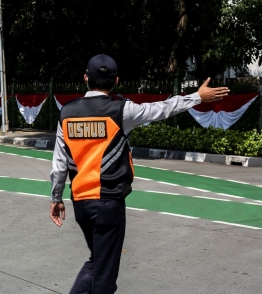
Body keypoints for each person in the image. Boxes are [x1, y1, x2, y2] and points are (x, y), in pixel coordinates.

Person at [49, 54, 230, 294]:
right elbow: (162, 109)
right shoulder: (121, 110)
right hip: (109, 202)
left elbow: (59, 164)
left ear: (85, 78)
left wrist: (56, 198)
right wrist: (197, 97)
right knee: (105, 274)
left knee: (97, 261)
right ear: (116, 80)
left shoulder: (67, 113)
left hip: (81, 202)